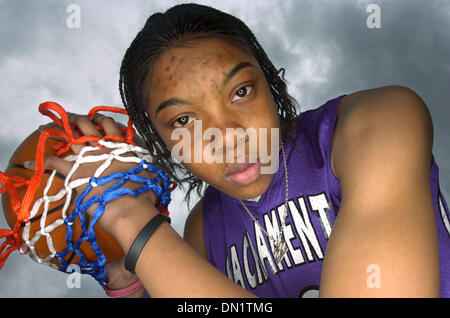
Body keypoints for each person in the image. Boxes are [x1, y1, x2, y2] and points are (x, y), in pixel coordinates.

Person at [25, 3, 450, 297]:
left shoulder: (377, 123)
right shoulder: (201, 234)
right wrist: (122, 268)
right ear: (161, 142)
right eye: (183, 121)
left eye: (241, 91)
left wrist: (130, 219)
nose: (226, 135)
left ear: (272, 83)